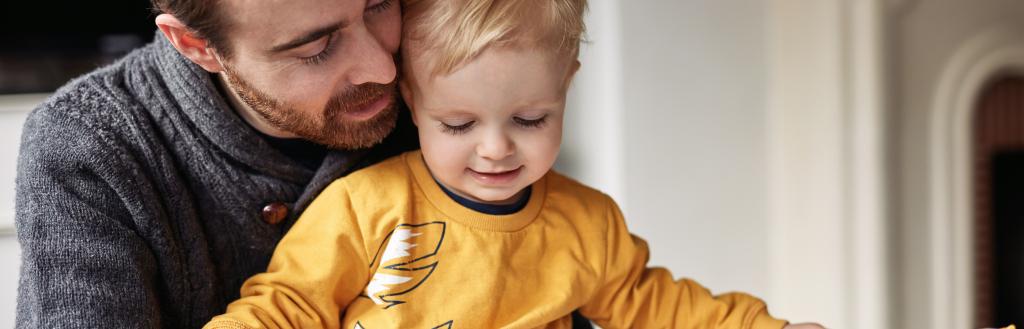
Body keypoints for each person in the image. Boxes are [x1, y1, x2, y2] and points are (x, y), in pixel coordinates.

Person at [204, 0, 822, 328]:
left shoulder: (587, 222)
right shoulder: (366, 205)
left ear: (566, 89)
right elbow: (291, 305)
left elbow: (652, 305)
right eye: (459, 125)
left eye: (530, 121)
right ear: (413, 101)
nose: (496, 149)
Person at [14, 0, 420, 327]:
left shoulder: (461, 73)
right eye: (315, 48)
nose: (382, 70)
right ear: (195, 44)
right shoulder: (87, 146)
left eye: (379, 6)